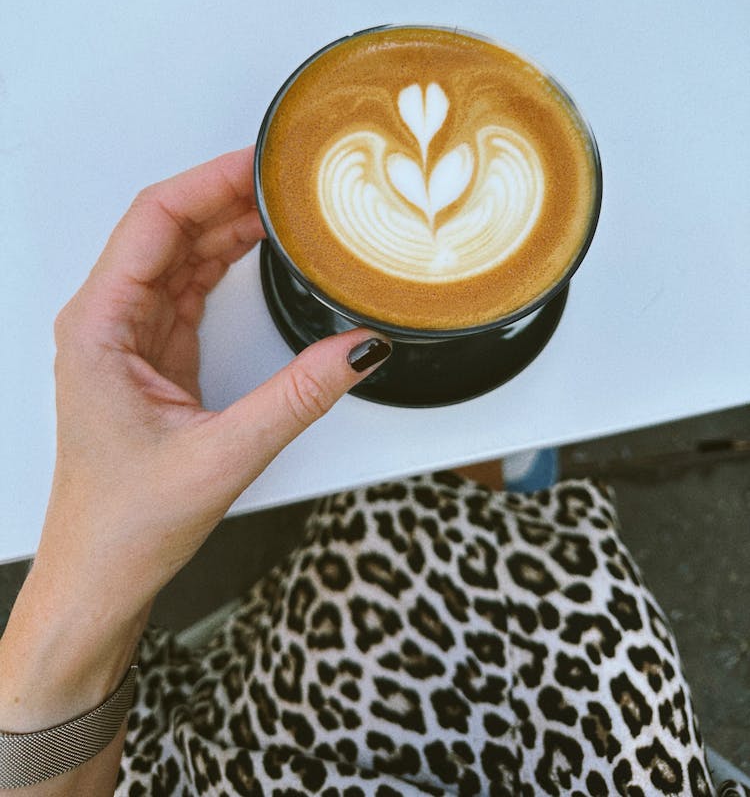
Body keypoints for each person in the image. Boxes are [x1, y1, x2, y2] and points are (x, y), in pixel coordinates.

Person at [0, 149, 743, 797]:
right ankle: (492, 474)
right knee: (501, 568)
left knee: (408, 536)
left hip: (184, 759)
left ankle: (477, 476)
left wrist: (86, 577)